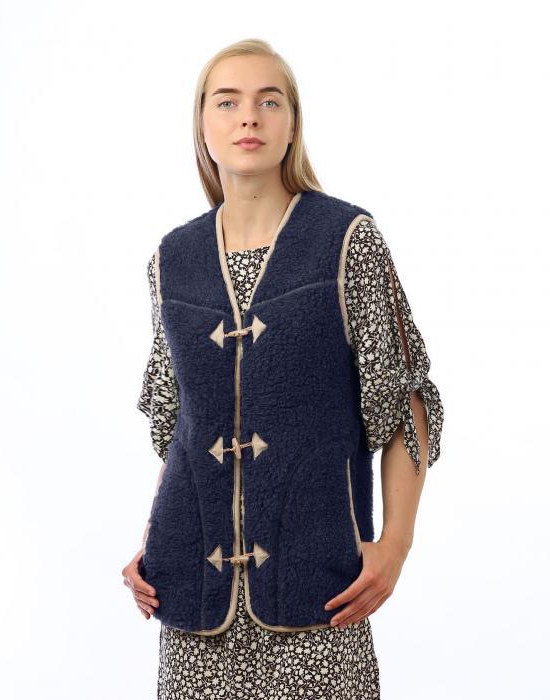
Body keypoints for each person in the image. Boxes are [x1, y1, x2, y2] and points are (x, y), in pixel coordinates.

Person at [122, 38, 444, 700]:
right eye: (227, 102)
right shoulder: (171, 260)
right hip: (193, 597)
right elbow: (183, 427)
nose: (249, 116)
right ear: (202, 126)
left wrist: (394, 547)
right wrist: (153, 542)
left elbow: (405, 400)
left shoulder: (346, 241)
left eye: (269, 101)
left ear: (292, 124)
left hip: (319, 593)